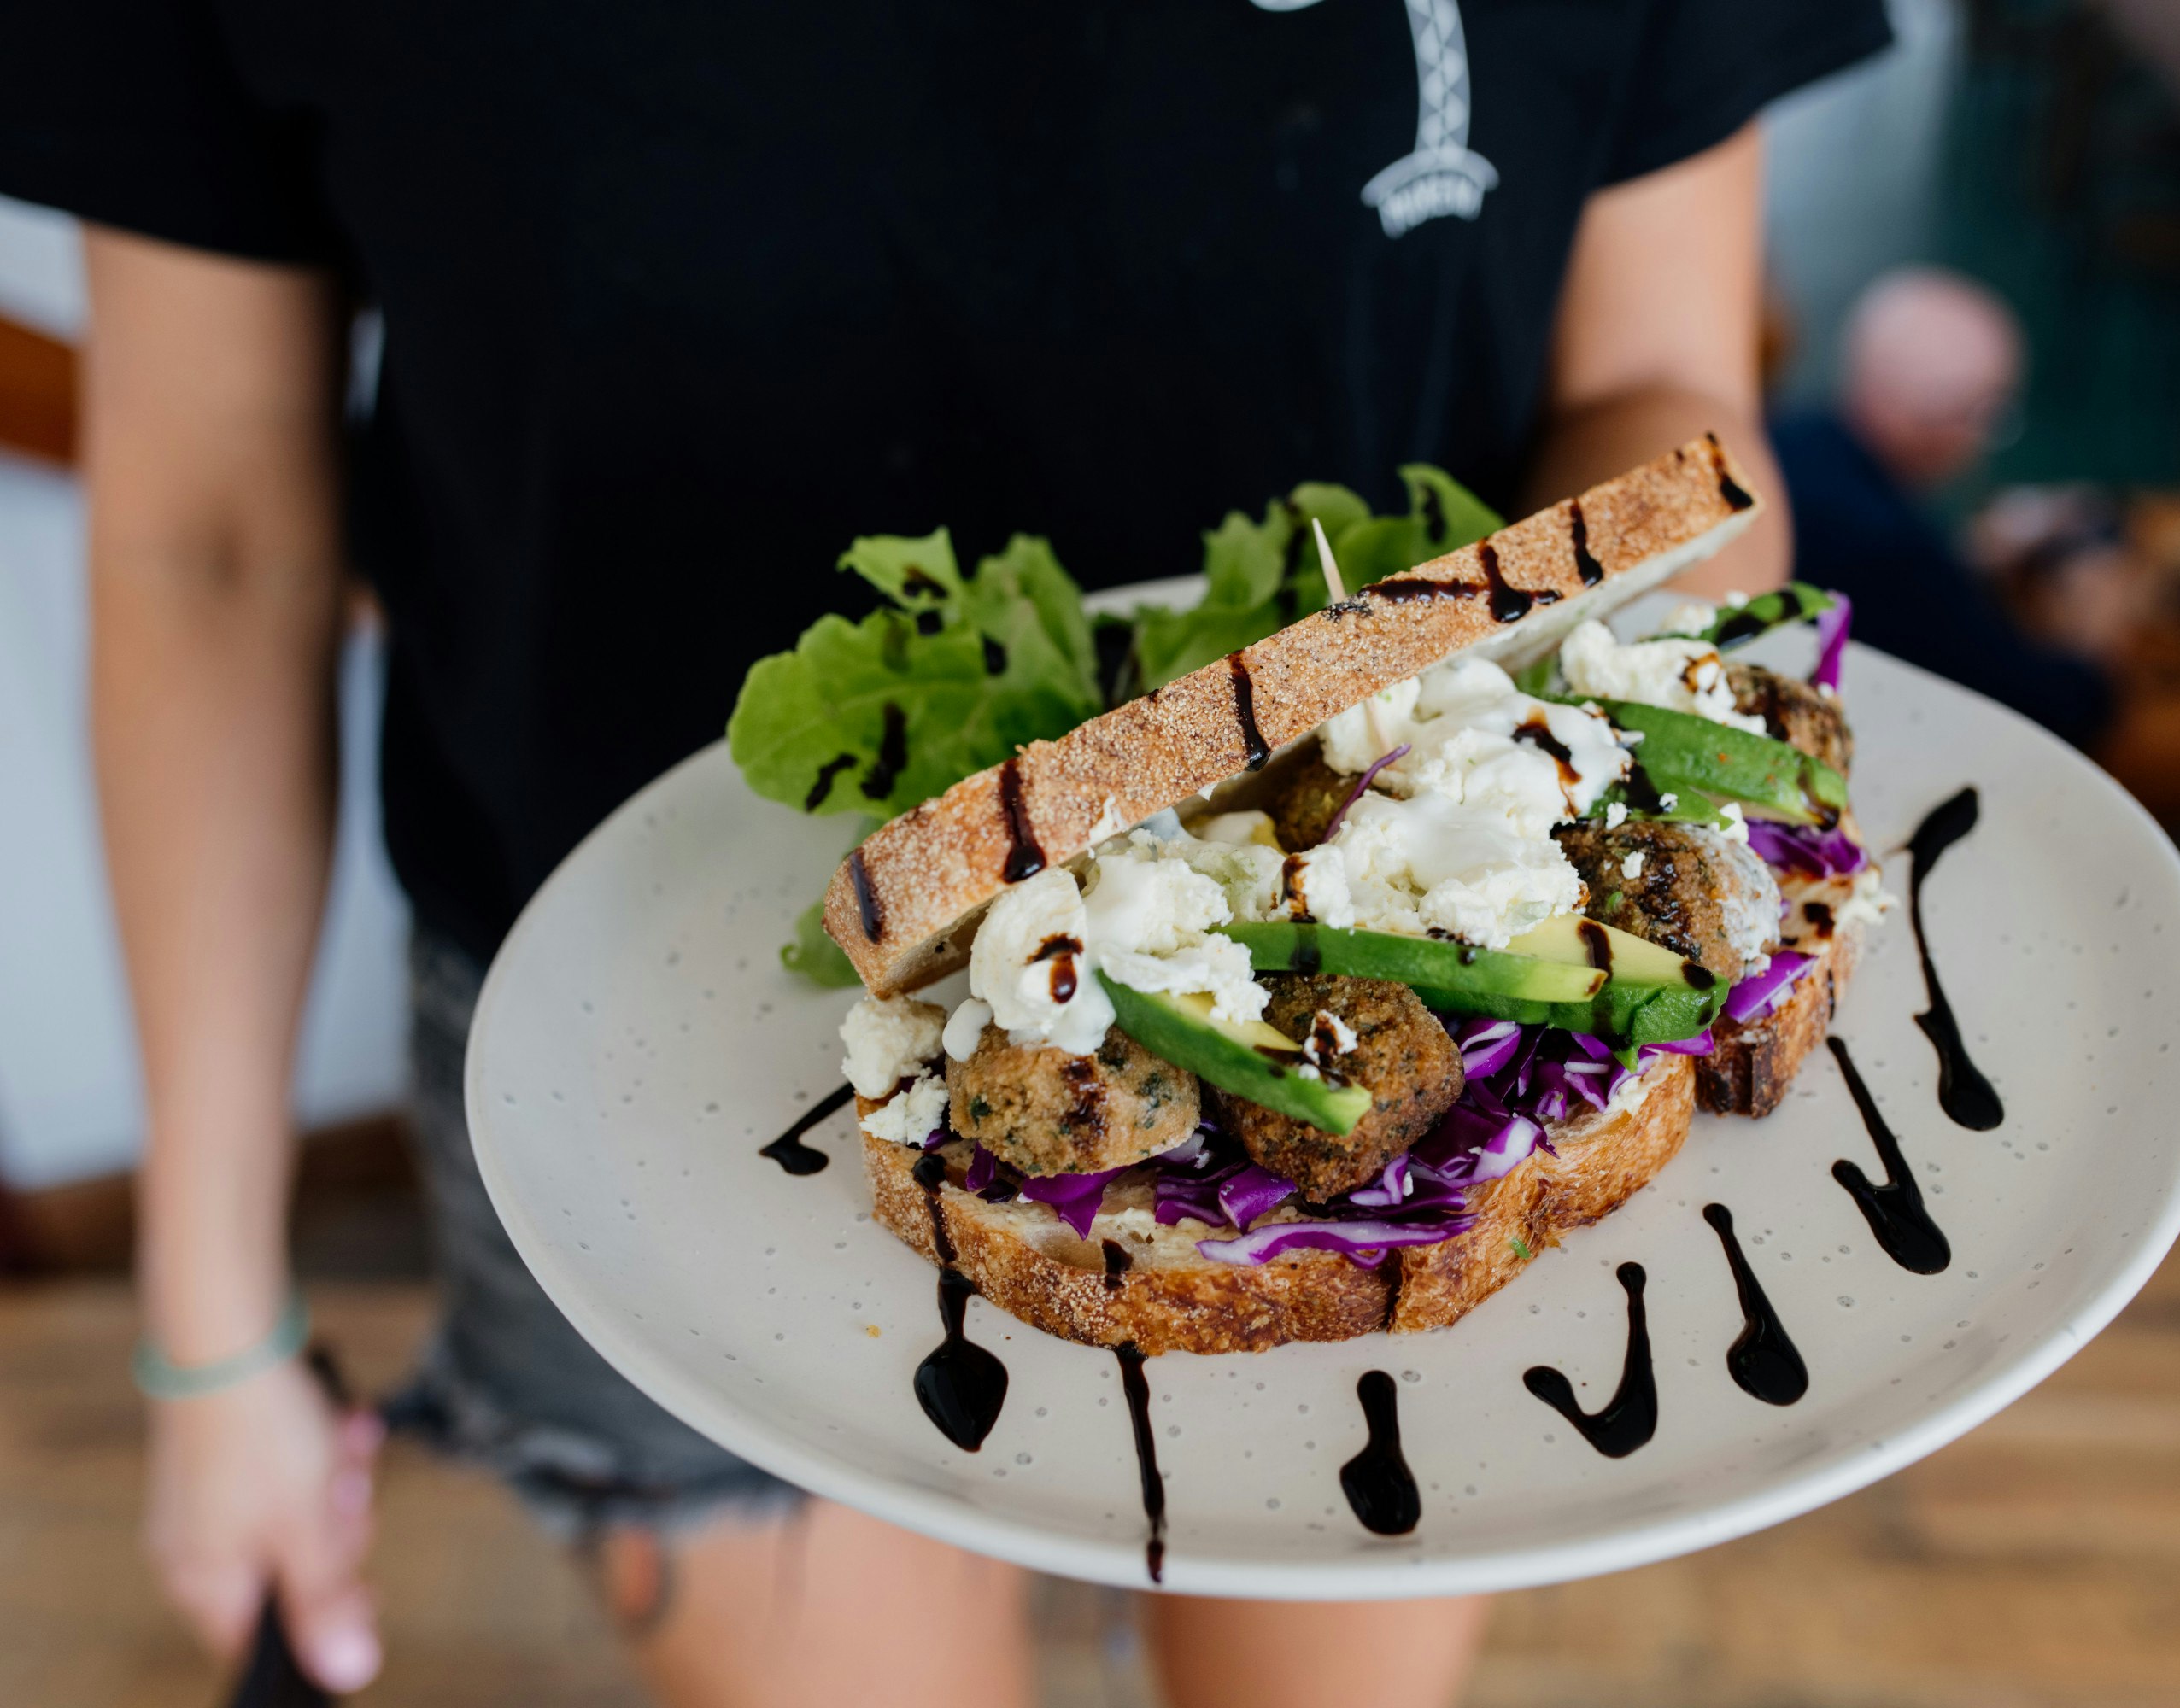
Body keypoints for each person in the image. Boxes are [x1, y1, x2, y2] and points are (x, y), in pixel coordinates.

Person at [0, 4, 1888, 1704]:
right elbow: (213, 536)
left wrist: (1602, 808)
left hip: (1410, 1028)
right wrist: (212, 1327)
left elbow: (1655, 372)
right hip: (622, 1056)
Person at [1771, 266, 2118, 747]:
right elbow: (2047, 708)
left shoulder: (1787, 434)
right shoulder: (1893, 553)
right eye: (1990, 415)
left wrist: (1967, 558)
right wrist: (2092, 641)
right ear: (1952, 423)